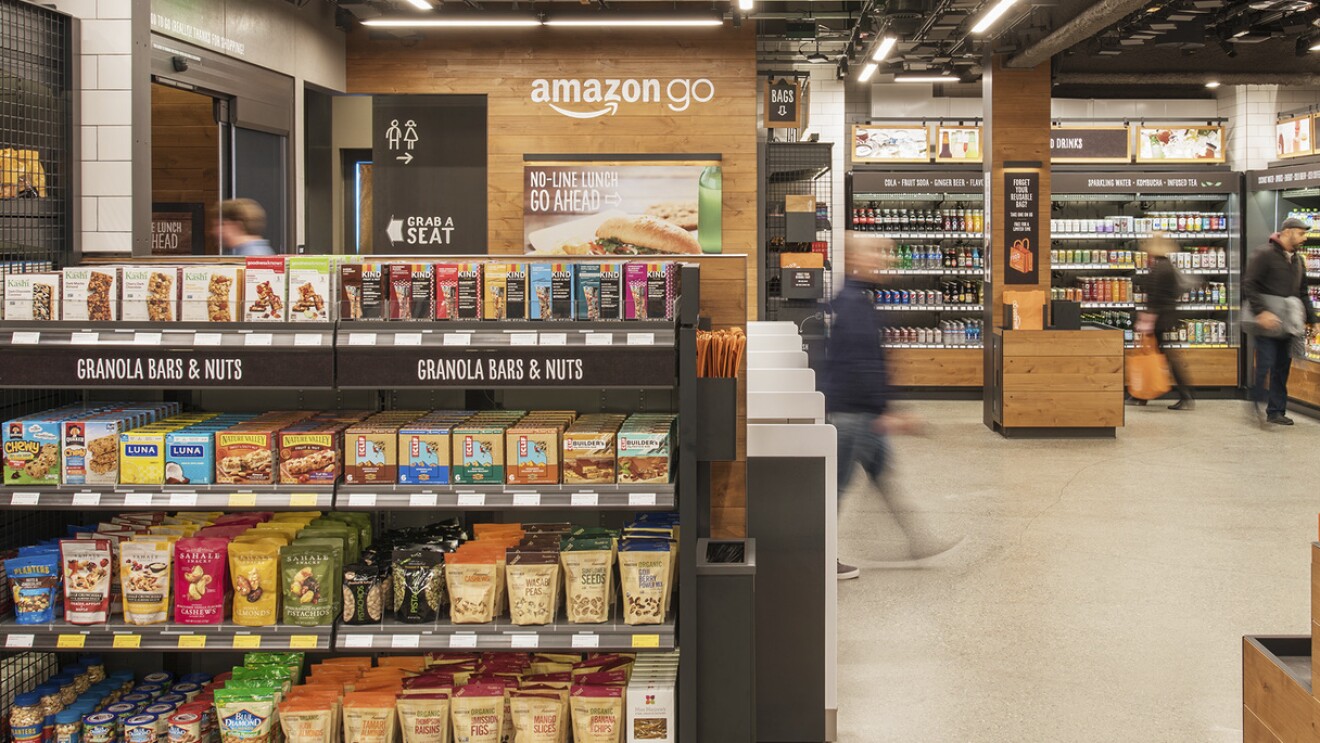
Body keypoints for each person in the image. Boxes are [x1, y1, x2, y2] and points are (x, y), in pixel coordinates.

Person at [821, 236, 951, 580]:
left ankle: (918, 540)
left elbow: (870, 362)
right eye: (875, 252)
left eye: (886, 252)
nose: (884, 259)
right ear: (853, 258)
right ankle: (820, 558)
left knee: (883, 476)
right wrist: (887, 413)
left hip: (863, 412)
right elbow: (860, 365)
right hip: (854, 414)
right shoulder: (852, 303)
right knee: (835, 490)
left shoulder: (855, 299)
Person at [1244, 217, 1316, 426]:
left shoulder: (1298, 261)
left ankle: (1276, 410)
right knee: (1265, 363)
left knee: (1282, 366)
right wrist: (1261, 312)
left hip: (1288, 323)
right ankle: (1255, 401)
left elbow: (1302, 293)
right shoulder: (1264, 254)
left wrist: (1313, 319)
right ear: (1287, 232)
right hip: (1267, 322)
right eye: (1301, 233)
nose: (1305, 237)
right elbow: (1249, 284)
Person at [1135, 236, 1194, 410]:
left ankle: (1185, 395)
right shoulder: (1167, 266)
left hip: (1159, 318)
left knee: (1157, 356)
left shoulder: (1160, 268)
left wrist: (1147, 318)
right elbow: (1175, 291)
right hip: (1166, 316)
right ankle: (1141, 395)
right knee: (1157, 355)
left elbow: (1155, 297)